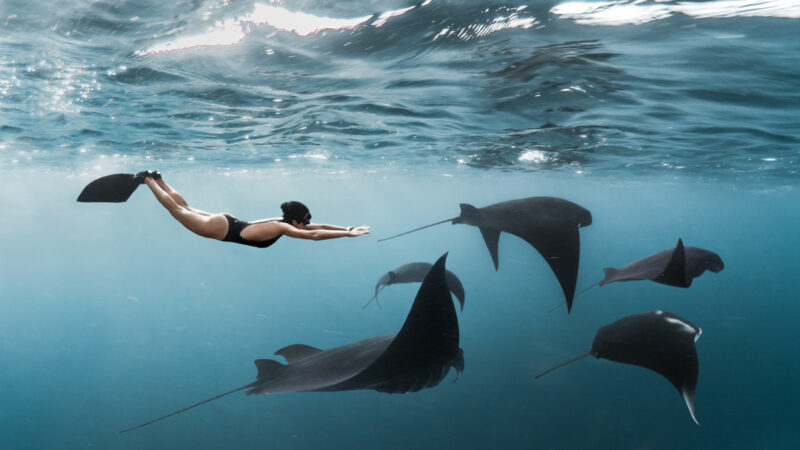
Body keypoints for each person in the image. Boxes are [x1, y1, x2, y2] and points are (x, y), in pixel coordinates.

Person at [136, 171, 369, 248]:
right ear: (295, 222)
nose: (306, 226)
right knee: (176, 210)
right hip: (221, 229)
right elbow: (315, 235)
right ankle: (147, 180)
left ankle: (159, 178)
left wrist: (347, 227)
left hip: (229, 221)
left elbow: (318, 226)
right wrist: (347, 235)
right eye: (303, 223)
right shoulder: (283, 227)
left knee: (184, 207)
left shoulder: (284, 220)